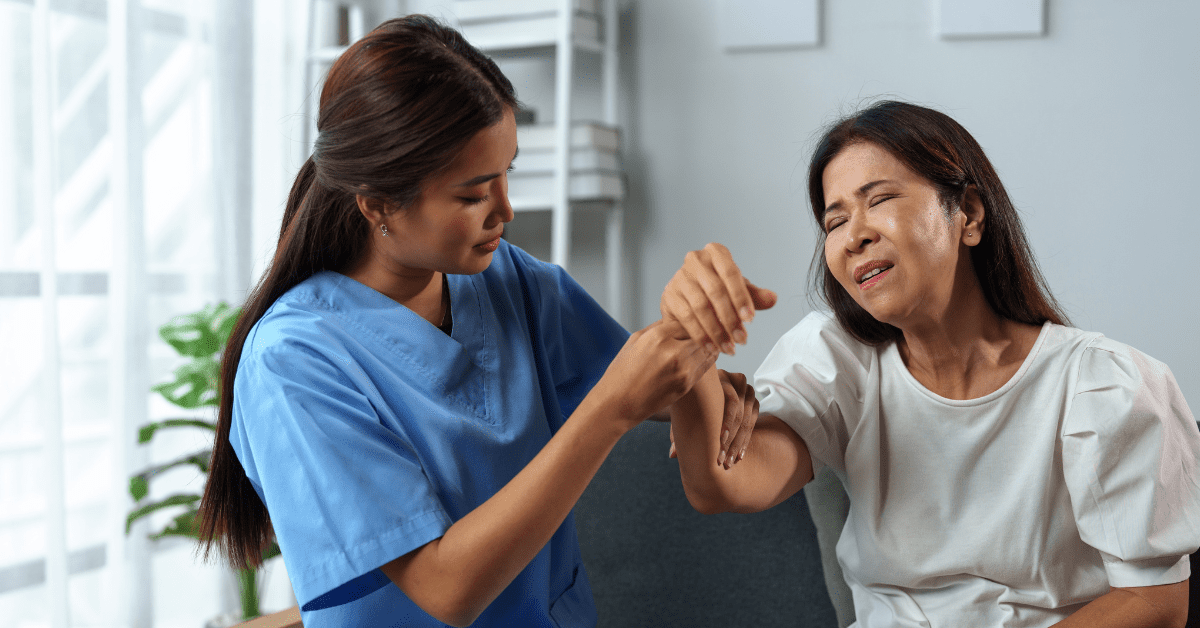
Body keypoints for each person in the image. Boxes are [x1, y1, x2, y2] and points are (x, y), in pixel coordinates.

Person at [195, 16, 747, 627]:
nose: (505, 210)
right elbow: (444, 589)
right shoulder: (293, 361)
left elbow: (659, 384)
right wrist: (612, 408)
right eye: (472, 194)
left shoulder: (513, 282)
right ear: (378, 202)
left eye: (507, 172)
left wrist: (694, 334)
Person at [663, 100, 1200, 627]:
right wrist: (692, 344)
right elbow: (722, 485)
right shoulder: (836, 362)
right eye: (835, 220)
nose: (855, 236)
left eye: (880, 199)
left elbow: (1154, 602)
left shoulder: (1102, 385)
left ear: (967, 212)